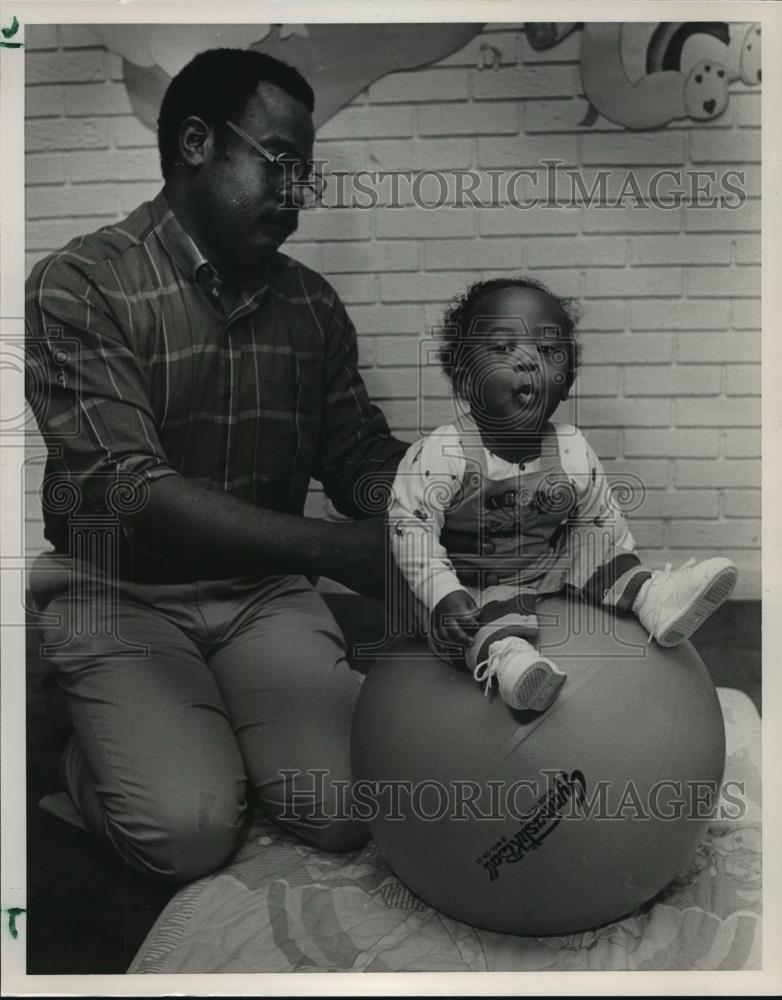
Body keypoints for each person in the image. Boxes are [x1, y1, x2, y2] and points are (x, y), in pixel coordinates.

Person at [25, 48, 409, 883]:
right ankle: (82, 755)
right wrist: (342, 551)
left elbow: (356, 458)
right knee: (188, 832)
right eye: (280, 163)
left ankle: (211, 723)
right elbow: (128, 492)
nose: (296, 194)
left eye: (306, 174)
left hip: (262, 596)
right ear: (197, 142)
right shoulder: (79, 284)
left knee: (350, 810)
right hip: (121, 592)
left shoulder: (311, 305)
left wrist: (437, 488)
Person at [388, 276, 738, 712]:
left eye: (551, 352)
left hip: (541, 563)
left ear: (566, 381)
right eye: (503, 348)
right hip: (469, 579)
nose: (531, 361)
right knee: (473, 620)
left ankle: (653, 598)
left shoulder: (571, 448)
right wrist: (440, 592)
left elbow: (601, 519)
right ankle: (509, 661)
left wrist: (623, 569)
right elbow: (410, 529)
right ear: (464, 377)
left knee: (592, 545)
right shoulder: (442, 453)